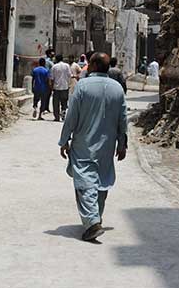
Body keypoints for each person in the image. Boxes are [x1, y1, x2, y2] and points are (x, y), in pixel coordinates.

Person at [58, 52, 128, 242]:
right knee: (102, 180)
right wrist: (122, 144)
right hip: (107, 145)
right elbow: (123, 119)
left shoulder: (82, 86)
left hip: (84, 143)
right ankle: (95, 217)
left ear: (94, 65)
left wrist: (64, 140)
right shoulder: (117, 89)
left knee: (85, 181)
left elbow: (71, 117)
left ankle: (92, 222)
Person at [50, 55, 73, 122]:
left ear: (56, 59)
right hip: (65, 87)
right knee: (64, 102)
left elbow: (52, 78)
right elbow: (69, 75)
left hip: (56, 87)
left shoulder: (54, 66)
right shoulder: (67, 66)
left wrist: (51, 87)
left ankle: (56, 117)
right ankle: (63, 112)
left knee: (56, 104)